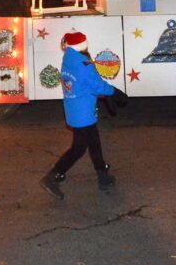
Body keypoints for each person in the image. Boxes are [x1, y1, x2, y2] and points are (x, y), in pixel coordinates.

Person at [40, 31, 127, 199]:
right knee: (78, 149)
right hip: (84, 113)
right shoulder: (84, 64)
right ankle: (52, 177)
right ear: (82, 45)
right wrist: (115, 92)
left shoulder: (68, 59)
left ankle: (103, 176)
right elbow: (98, 86)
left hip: (75, 110)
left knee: (94, 142)